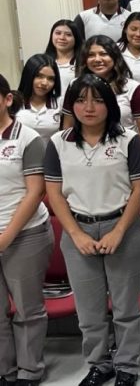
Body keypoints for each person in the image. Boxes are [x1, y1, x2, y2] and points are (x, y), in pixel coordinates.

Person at [44, 74, 140, 386]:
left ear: (110, 105)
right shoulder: (58, 143)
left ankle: (127, 366)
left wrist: (118, 232)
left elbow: (138, 191)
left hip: (124, 227)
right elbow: (54, 193)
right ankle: (99, 364)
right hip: (79, 229)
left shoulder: (128, 140)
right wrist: (76, 234)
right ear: (71, 105)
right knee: (89, 310)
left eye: (97, 99)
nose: (88, 107)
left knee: (126, 307)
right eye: (80, 100)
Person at [0, 74, 53, 386]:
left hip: (25, 234)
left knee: (27, 309)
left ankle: (29, 371)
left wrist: (5, 237)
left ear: (8, 99)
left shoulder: (28, 138)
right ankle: (4, 370)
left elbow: (35, 192)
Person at [63, 36, 140, 152]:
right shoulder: (74, 85)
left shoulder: (133, 88)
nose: (97, 59)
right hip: (83, 152)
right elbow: (68, 124)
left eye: (103, 54)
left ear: (115, 57)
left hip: (122, 151)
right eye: (91, 55)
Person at [15, 54, 63, 144]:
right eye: (39, 76)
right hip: (19, 156)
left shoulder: (60, 102)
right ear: (28, 75)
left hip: (51, 156)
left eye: (51, 79)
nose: (45, 83)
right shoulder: (14, 101)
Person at [44, 19, 83, 96]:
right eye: (58, 33)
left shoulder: (83, 62)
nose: (62, 37)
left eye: (68, 34)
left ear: (76, 38)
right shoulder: (43, 61)